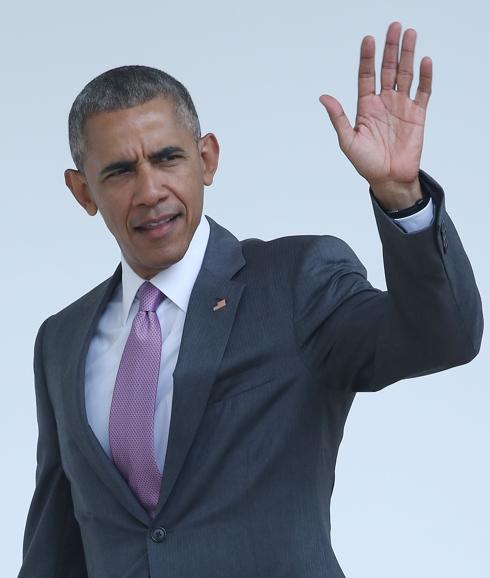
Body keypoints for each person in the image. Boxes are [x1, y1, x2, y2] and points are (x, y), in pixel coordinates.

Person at [18, 21, 483, 578]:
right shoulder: (60, 339)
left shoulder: (295, 283)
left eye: (168, 158)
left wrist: (401, 195)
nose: (149, 191)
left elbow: (442, 337)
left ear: (207, 159)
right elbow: (57, 541)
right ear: (82, 191)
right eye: (119, 171)